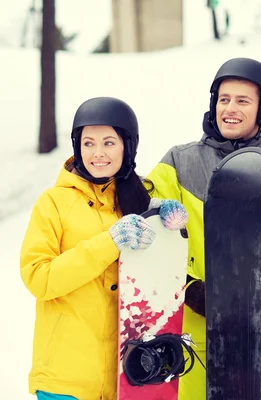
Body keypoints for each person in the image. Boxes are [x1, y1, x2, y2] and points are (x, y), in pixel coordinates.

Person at [145, 57, 261, 400]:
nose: (230, 109)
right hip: (196, 333)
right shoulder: (180, 162)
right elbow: (148, 226)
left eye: (242, 101)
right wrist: (187, 288)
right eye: (224, 99)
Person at [20, 97, 187, 400]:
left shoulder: (138, 201)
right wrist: (109, 242)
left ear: (128, 146)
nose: (98, 153)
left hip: (128, 379)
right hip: (66, 381)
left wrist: (166, 229)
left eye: (109, 142)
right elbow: (39, 278)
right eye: (88, 143)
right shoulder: (53, 203)